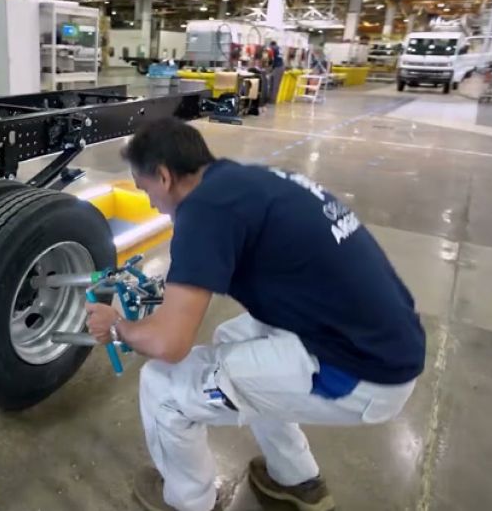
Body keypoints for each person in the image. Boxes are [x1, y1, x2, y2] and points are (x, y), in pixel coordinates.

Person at [85, 118, 425, 511]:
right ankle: (296, 479)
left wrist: (118, 327)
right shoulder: (242, 181)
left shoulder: (203, 210)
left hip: (360, 370)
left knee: (163, 387)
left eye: (146, 189)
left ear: (164, 176)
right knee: (234, 338)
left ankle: (186, 503)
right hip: (385, 340)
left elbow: (169, 343)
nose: (150, 203)